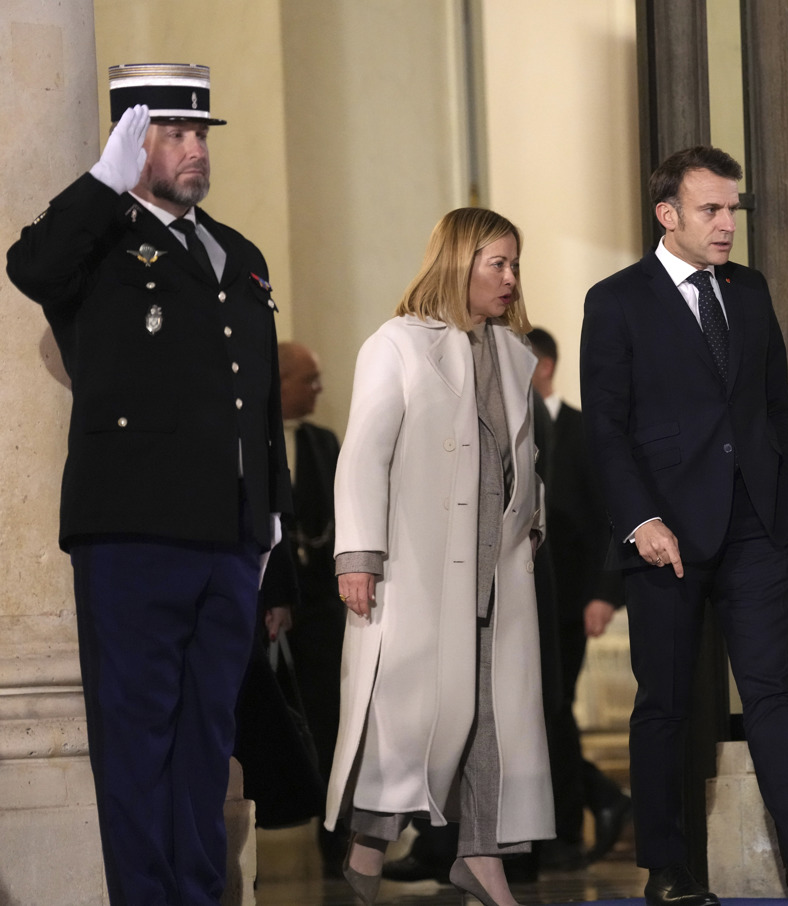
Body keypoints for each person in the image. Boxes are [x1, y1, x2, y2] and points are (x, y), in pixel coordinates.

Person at [5, 64, 291, 906]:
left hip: (231, 536)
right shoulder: (97, 241)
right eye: (174, 133)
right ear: (133, 142)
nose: (195, 148)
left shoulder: (237, 252)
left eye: (200, 133)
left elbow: (261, 401)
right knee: (136, 743)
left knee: (206, 740)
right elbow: (33, 268)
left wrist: (274, 531)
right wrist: (101, 183)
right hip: (134, 534)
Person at [580, 146, 788, 906]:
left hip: (757, 523)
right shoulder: (616, 300)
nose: (727, 225)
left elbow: (774, 403)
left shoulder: (748, 290)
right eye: (711, 210)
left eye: (732, 210)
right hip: (667, 535)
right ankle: (669, 870)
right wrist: (641, 521)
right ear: (668, 214)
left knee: (773, 689)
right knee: (667, 703)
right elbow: (605, 430)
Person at [324, 208, 553, 906]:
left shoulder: (515, 357)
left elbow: (523, 461)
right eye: (498, 264)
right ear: (459, 262)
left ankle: (482, 861)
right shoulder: (396, 345)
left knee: (494, 717)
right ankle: (368, 846)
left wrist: (530, 524)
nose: (512, 279)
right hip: (420, 567)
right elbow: (364, 452)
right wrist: (358, 553)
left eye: (515, 265)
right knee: (412, 713)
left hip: (497, 571)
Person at [526, 326, 631, 867]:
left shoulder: (583, 429)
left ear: (543, 366)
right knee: (541, 712)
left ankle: (567, 830)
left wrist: (605, 595)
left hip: (569, 601)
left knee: (552, 708)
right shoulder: (510, 422)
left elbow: (613, 519)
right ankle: (596, 802)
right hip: (523, 599)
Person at [276, 340, 349, 874]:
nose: (319, 390)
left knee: (331, 726)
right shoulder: (249, 436)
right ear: (278, 382)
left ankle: (337, 847)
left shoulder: (325, 443)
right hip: (265, 612)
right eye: (310, 379)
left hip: (323, 611)